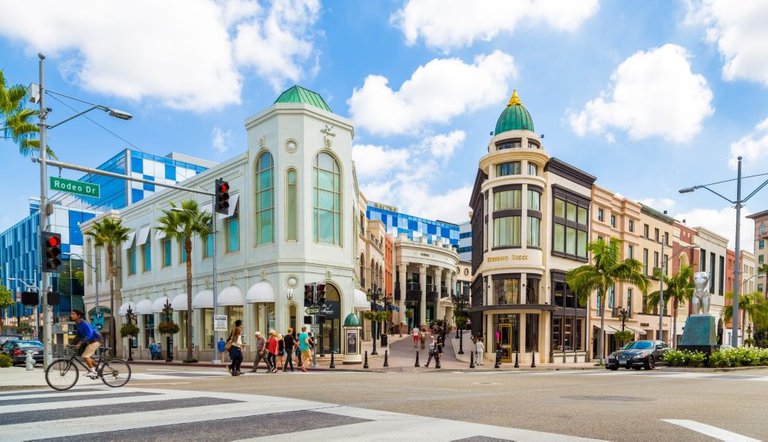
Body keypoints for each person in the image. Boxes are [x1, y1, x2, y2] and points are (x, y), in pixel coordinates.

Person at [70, 309, 102, 379]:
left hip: (96, 340)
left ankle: (93, 371)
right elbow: (79, 336)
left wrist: (80, 343)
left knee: (85, 356)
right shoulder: (78, 324)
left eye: (73, 314)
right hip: (91, 341)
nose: (71, 315)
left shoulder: (84, 323)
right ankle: (98, 367)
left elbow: (89, 335)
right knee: (87, 357)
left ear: (79, 316)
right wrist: (71, 343)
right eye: (71, 314)